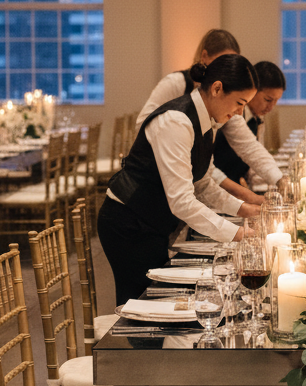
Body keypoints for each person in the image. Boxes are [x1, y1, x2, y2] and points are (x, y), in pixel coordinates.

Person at [99, 54, 263, 305]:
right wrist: (239, 234)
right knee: (141, 305)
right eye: (240, 103)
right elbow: (182, 202)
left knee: (156, 300)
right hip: (128, 222)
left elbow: (203, 184)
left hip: (151, 221)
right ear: (217, 88)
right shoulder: (176, 121)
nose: (240, 112)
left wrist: (245, 209)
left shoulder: (206, 120)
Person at [139, 29, 285, 203]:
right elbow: (143, 126)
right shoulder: (177, 85)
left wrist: (279, 180)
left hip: (198, 189)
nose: (227, 71)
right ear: (204, 56)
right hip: (156, 178)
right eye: (222, 62)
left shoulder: (227, 102)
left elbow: (248, 147)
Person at [214, 61, 286, 185]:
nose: (271, 107)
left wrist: (279, 179)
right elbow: (249, 148)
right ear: (253, 90)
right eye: (268, 100)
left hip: (236, 187)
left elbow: (255, 155)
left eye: (276, 101)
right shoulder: (230, 112)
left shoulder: (257, 119)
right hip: (219, 186)